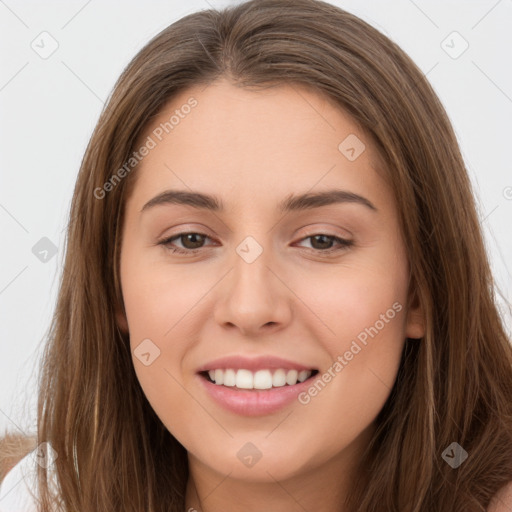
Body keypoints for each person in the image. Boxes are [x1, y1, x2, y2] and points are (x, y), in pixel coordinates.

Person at [1, 0, 512, 510]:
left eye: (322, 240)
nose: (250, 308)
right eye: (190, 240)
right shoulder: (33, 496)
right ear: (114, 288)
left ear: (421, 289)